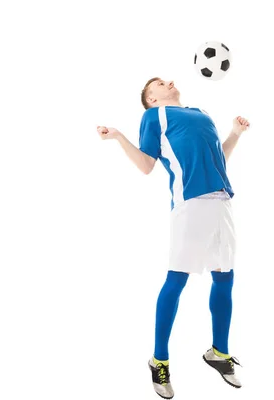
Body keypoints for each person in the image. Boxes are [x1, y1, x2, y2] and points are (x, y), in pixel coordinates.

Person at [96, 77, 250, 399]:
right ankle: (159, 360)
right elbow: (146, 165)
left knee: (225, 279)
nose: (170, 82)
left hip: (222, 201)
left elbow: (218, 160)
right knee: (177, 280)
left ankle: (218, 353)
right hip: (190, 206)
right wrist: (119, 137)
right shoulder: (154, 117)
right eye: (160, 84)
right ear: (151, 98)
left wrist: (234, 135)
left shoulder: (202, 113)